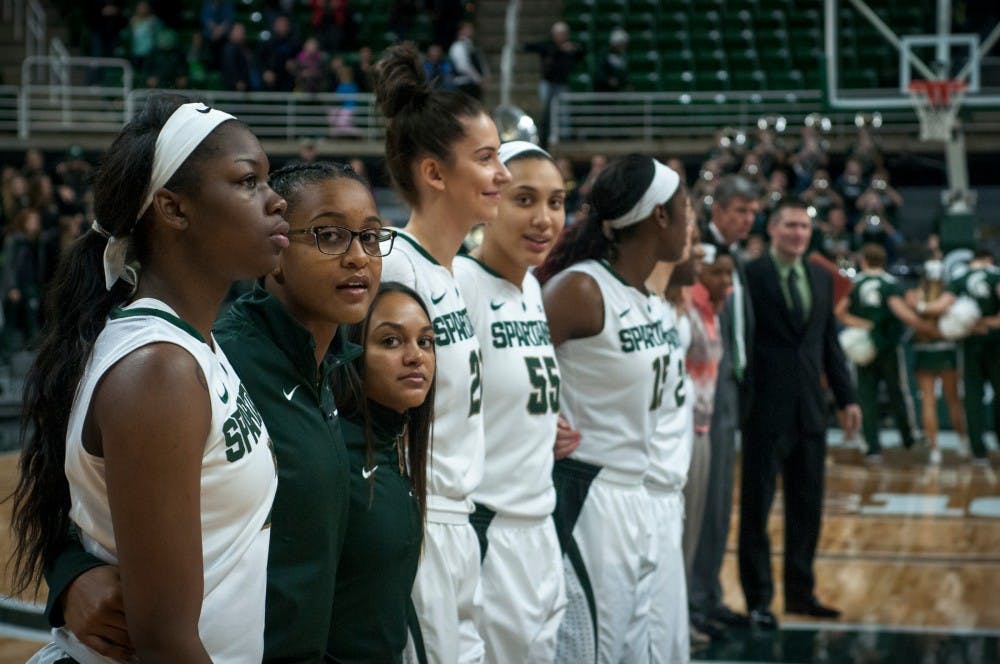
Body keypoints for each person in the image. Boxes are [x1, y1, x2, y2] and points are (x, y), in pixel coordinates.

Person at [37, 161, 406, 662]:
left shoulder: (340, 361)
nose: (358, 257)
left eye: (370, 236)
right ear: (276, 251)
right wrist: (71, 574)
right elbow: (74, 480)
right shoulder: (215, 357)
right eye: (329, 235)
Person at [10, 96, 287, 662]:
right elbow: (166, 641)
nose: (275, 199)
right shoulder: (159, 369)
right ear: (173, 208)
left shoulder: (189, 342)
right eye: (247, 181)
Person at [374, 42, 511, 663]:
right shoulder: (395, 263)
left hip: (459, 522)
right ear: (434, 172)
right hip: (418, 524)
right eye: (486, 159)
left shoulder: (449, 272)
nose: (502, 175)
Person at [537, 154, 689, 662]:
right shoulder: (581, 289)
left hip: (639, 495)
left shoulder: (646, 298)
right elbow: (508, 362)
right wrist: (535, 421)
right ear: (660, 216)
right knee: (590, 651)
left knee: (632, 650)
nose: (691, 219)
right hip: (589, 495)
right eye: (684, 206)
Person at [454, 141, 576, 663]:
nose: (545, 219)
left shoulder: (529, 289)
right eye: (524, 199)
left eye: (557, 201)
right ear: (489, 201)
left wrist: (542, 425)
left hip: (539, 523)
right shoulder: (458, 282)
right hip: (487, 527)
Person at [739, 198, 861, 629]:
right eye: (790, 225)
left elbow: (829, 341)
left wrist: (847, 398)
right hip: (764, 411)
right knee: (756, 510)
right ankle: (758, 600)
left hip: (811, 411)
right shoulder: (749, 275)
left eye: (804, 228)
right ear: (772, 229)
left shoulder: (821, 278)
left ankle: (801, 593)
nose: (797, 233)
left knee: (806, 509)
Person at [329, 282, 434, 662]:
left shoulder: (392, 443)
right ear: (352, 352)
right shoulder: (335, 450)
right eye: (391, 342)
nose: (416, 357)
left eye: (426, 342)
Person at [689, 174, 758, 638]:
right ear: (717, 211)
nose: (747, 220)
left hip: (730, 389)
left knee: (720, 503)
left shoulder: (738, 259)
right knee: (704, 500)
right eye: (739, 211)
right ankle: (693, 601)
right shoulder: (697, 255)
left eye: (752, 212)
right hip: (702, 391)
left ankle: (709, 592)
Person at [644, 201, 699, 662]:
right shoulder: (613, 298)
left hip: (669, 491)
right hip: (638, 495)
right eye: (693, 238)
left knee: (669, 643)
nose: (698, 249)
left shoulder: (666, 305)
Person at [836, 243, 933, 461]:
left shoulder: (856, 283)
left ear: (863, 260)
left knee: (865, 396)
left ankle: (872, 447)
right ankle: (908, 439)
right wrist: (925, 326)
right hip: (887, 347)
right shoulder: (889, 284)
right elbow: (901, 312)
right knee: (898, 393)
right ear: (883, 261)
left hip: (862, 347)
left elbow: (839, 312)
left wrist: (861, 324)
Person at [923, 247, 1000, 466]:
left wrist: (920, 306)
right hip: (996, 343)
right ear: (989, 259)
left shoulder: (961, 278)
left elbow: (941, 307)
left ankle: (979, 452)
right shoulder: (996, 275)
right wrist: (988, 322)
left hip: (970, 344)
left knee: (973, 398)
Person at [906, 259, 968, 464]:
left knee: (931, 401)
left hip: (927, 350)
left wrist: (922, 309)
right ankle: (961, 442)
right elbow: (940, 312)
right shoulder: (948, 296)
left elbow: (919, 315)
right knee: (951, 400)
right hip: (942, 350)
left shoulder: (914, 296)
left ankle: (936, 449)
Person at [526, 22, 585, 146]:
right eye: (558, 34)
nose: (560, 36)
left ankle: (564, 136)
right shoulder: (548, 46)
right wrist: (559, 49)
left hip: (562, 83)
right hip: (548, 83)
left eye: (563, 34)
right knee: (548, 111)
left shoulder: (571, 48)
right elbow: (530, 47)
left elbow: (582, 53)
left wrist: (571, 49)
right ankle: (547, 135)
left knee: (563, 111)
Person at [449, 21, 488, 100]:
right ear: (460, 31)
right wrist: (478, 79)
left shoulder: (471, 45)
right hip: (464, 84)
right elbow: (463, 66)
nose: (470, 30)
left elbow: (479, 62)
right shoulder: (458, 46)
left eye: (471, 28)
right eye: (467, 28)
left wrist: (485, 76)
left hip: (473, 84)